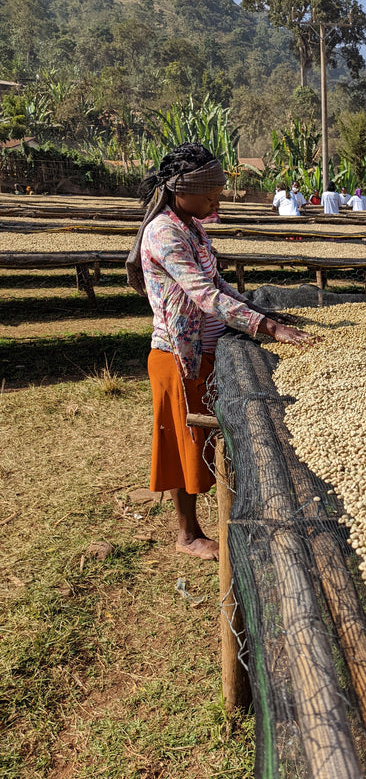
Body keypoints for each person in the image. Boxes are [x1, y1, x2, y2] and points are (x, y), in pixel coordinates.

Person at [126, 142, 318, 561]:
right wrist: (267, 327)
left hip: (213, 351)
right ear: (181, 189)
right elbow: (204, 296)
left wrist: (258, 309)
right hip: (180, 357)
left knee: (215, 442)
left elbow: (219, 283)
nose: (216, 199)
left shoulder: (192, 225)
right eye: (210, 192)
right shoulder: (164, 233)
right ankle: (188, 533)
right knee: (185, 447)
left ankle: (222, 520)